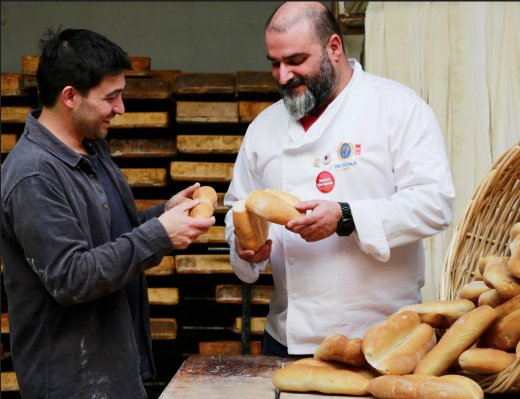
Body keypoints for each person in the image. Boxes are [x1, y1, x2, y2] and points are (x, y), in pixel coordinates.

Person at [224, 2, 455, 357]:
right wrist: (244, 248)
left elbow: (434, 204)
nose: (283, 76)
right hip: (287, 338)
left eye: (296, 60)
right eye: (275, 63)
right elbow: (237, 208)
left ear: (334, 48)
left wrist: (345, 217)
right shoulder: (263, 128)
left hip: (381, 338)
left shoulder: (397, 108)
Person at [0, 28, 215, 398]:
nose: (121, 109)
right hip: (74, 385)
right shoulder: (33, 175)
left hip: (117, 370)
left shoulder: (91, 150)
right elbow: (72, 276)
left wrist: (165, 213)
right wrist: (160, 234)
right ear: (70, 96)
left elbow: (111, 238)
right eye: (111, 97)